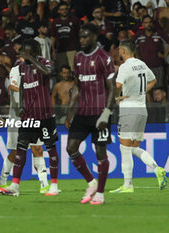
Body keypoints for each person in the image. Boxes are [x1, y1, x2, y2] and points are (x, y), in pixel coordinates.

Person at [0, 39, 60, 197]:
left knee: (44, 148)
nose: (21, 55)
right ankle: (11, 184)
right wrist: (21, 107)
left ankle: (49, 185)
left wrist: (32, 59)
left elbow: (47, 73)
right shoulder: (18, 68)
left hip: (44, 115)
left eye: (24, 52)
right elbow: (19, 88)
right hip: (25, 115)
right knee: (19, 148)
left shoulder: (44, 62)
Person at [65, 23, 116, 205]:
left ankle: (100, 193)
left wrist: (106, 114)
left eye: (86, 36)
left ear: (95, 36)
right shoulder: (78, 58)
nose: (82, 40)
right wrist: (70, 113)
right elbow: (77, 87)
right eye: (80, 37)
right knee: (71, 148)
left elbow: (112, 88)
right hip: (83, 112)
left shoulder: (104, 57)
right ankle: (91, 182)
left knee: (100, 152)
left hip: (100, 112)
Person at [110, 39, 167, 193]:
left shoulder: (124, 67)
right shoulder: (141, 64)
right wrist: (139, 93)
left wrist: (117, 98)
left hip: (129, 110)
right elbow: (153, 80)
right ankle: (157, 169)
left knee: (124, 148)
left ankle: (127, 185)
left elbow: (118, 86)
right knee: (134, 148)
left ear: (122, 51)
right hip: (142, 110)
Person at [51, 1, 80, 72]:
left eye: (65, 9)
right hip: (60, 50)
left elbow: (79, 34)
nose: (64, 11)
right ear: (58, 11)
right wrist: (53, 50)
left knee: (74, 71)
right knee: (62, 73)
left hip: (72, 50)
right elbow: (53, 37)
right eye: (62, 9)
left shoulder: (74, 20)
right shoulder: (55, 22)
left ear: (68, 10)